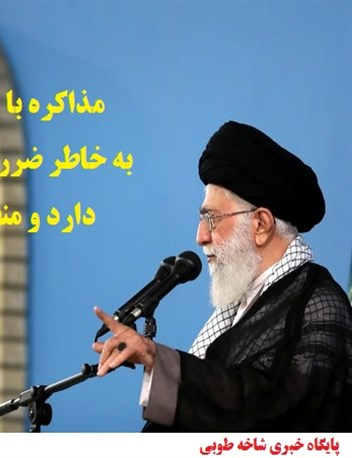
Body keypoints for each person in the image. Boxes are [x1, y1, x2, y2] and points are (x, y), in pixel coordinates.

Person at [93, 121, 352, 431]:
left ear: (261, 224)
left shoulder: (319, 305)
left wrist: (157, 359)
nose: (200, 236)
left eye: (212, 219)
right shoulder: (243, 304)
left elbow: (280, 411)